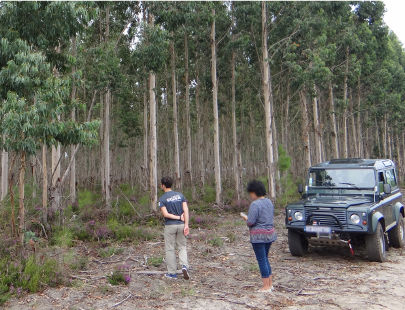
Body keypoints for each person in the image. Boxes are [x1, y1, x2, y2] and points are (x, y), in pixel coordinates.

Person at [241, 180, 277, 292]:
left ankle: (266, 286)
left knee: (261, 260)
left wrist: (245, 218)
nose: (250, 195)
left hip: (258, 236)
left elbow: (251, 222)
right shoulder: (269, 202)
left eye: (251, 193)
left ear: (254, 192)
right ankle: (270, 284)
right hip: (269, 234)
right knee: (265, 259)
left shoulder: (255, 204)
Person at [158, 176, 190, 280]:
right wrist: (186, 224)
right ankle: (184, 266)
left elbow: (165, 214)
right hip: (181, 225)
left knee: (170, 249)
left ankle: (172, 273)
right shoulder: (180, 195)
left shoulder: (162, 199)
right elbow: (186, 210)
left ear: (163, 185)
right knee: (182, 247)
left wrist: (177, 217)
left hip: (170, 226)